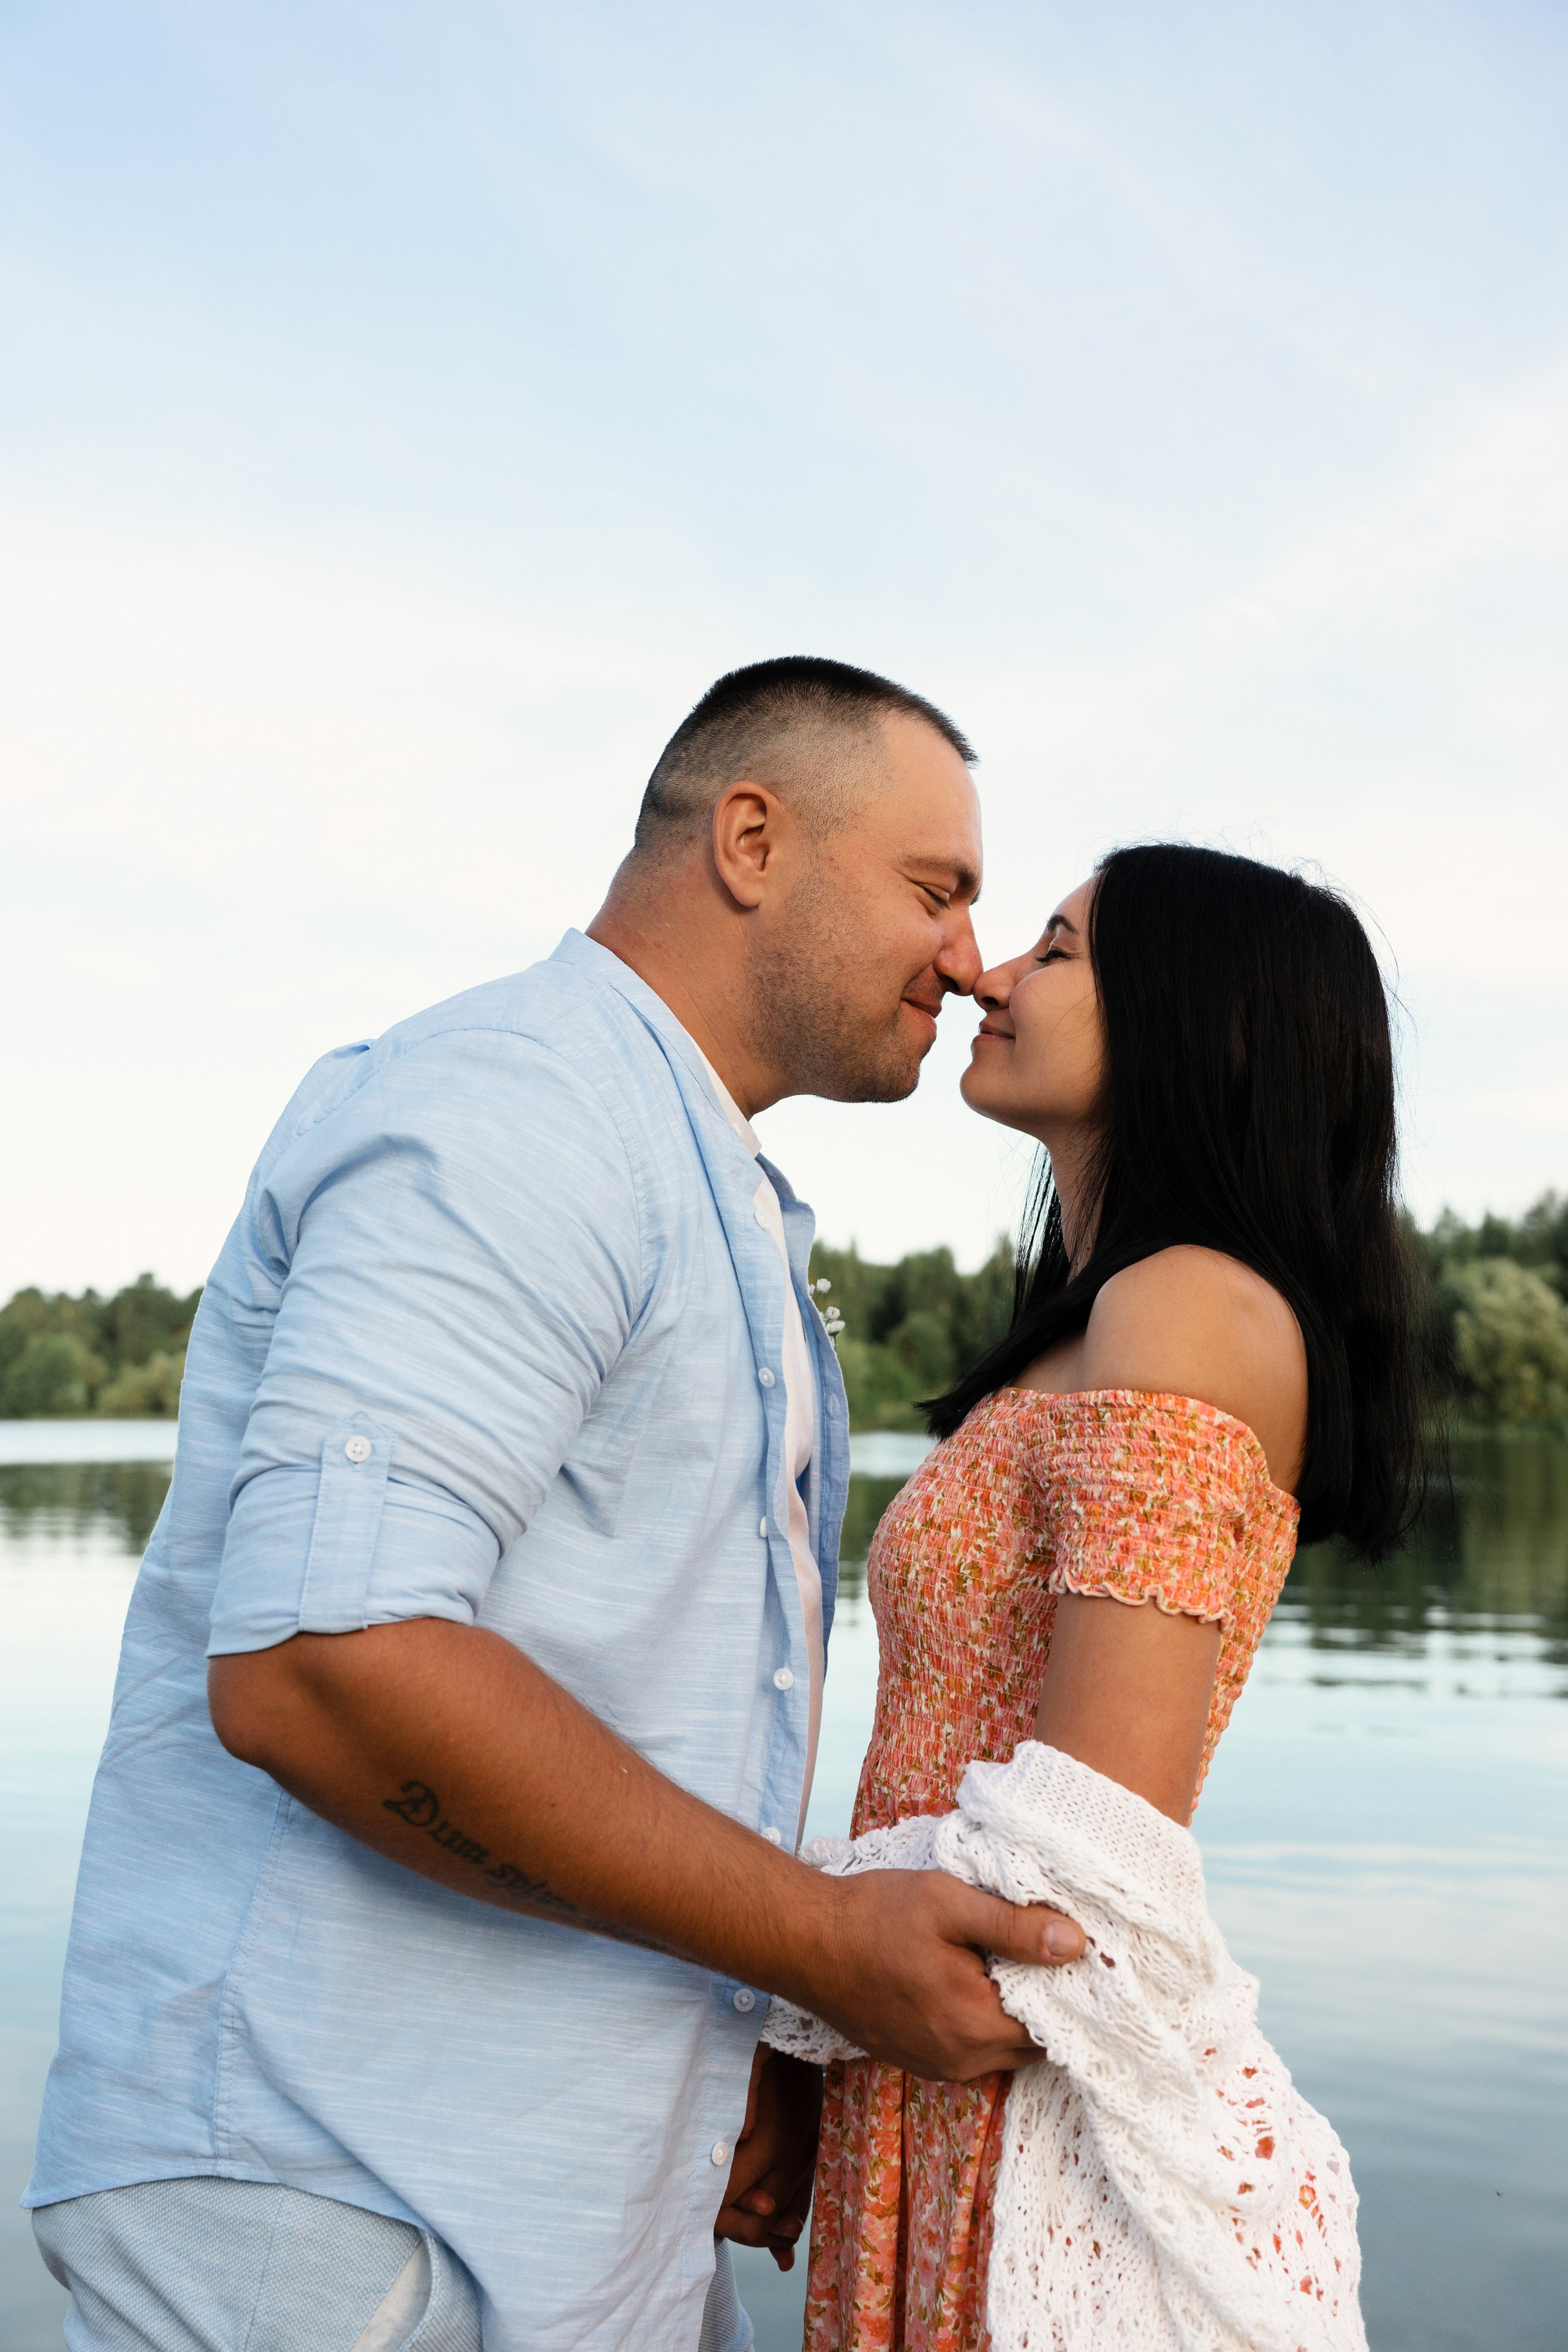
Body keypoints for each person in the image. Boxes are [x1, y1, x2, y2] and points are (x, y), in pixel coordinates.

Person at [24, 657, 1086, 2352]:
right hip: (340, 2209)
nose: (969, 958)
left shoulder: (702, 1181)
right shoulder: (525, 1107)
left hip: (569, 2219)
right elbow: (321, 1665)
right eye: (935, 888)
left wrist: (732, 2021)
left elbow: (633, 1701)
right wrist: (818, 1944)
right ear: (752, 840)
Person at [798, 844, 1424, 2351]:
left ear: (1190, 1020)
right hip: (930, 2042)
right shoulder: (1092, 1323)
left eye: (1057, 949)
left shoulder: (1185, 1303)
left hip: (1011, 2074)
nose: (985, 973)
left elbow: (1078, 1863)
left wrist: (775, 1962)